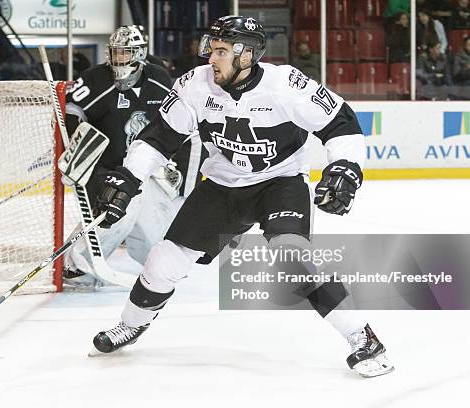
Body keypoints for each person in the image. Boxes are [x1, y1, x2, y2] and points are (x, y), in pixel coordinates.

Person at [89, 16, 394, 378]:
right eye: (211, 50)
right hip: (222, 185)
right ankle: (131, 324)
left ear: (246, 55)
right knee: (164, 260)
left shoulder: (286, 85)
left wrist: (345, 168)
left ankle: (364, 339)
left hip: (279, 182)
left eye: (220, 52)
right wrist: (128, 177)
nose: (210, 59)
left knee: (294, 256)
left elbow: (341, 122)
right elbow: (159, 137)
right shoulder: (195, 85)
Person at [63, 25, 205, 286]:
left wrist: (178, 167)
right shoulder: (95, 79)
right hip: (107, 167)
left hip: (145, 166)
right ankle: (76, 262)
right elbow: (72, 111)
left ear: (139, 54)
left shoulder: (159, 78)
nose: (119, 58)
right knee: (118, 208)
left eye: (125, 53)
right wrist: (74, 146)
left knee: (156, 221)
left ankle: (157, 264)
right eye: (115, 52)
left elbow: (177, 121)